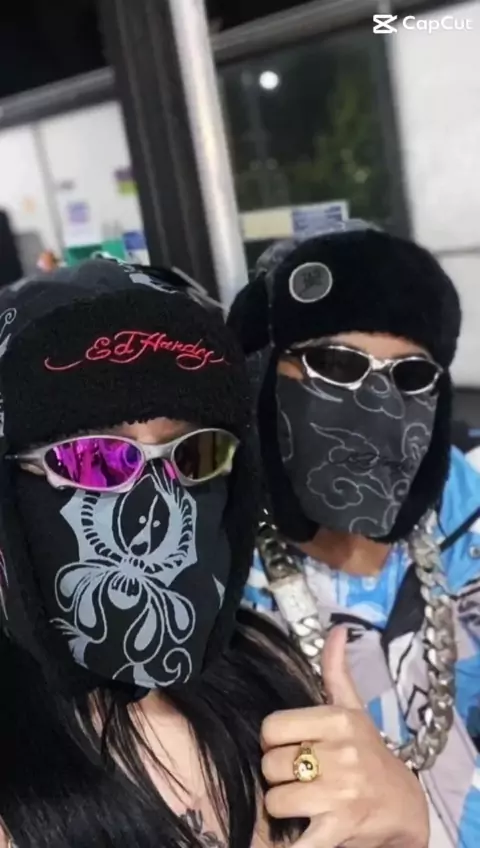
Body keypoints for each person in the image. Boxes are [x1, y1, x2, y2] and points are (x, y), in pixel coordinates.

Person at [0, 258, 427, 848]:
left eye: (195, 453)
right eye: (94, 458)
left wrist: (402, 822)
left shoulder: (263, 665)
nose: (157, 504)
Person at [228, 220, 480, 847]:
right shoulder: (216, 573)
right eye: (336, 364)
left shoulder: (460, 506)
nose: (381, 409)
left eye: (412, 376)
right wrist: (310, 777)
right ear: (262, 375)